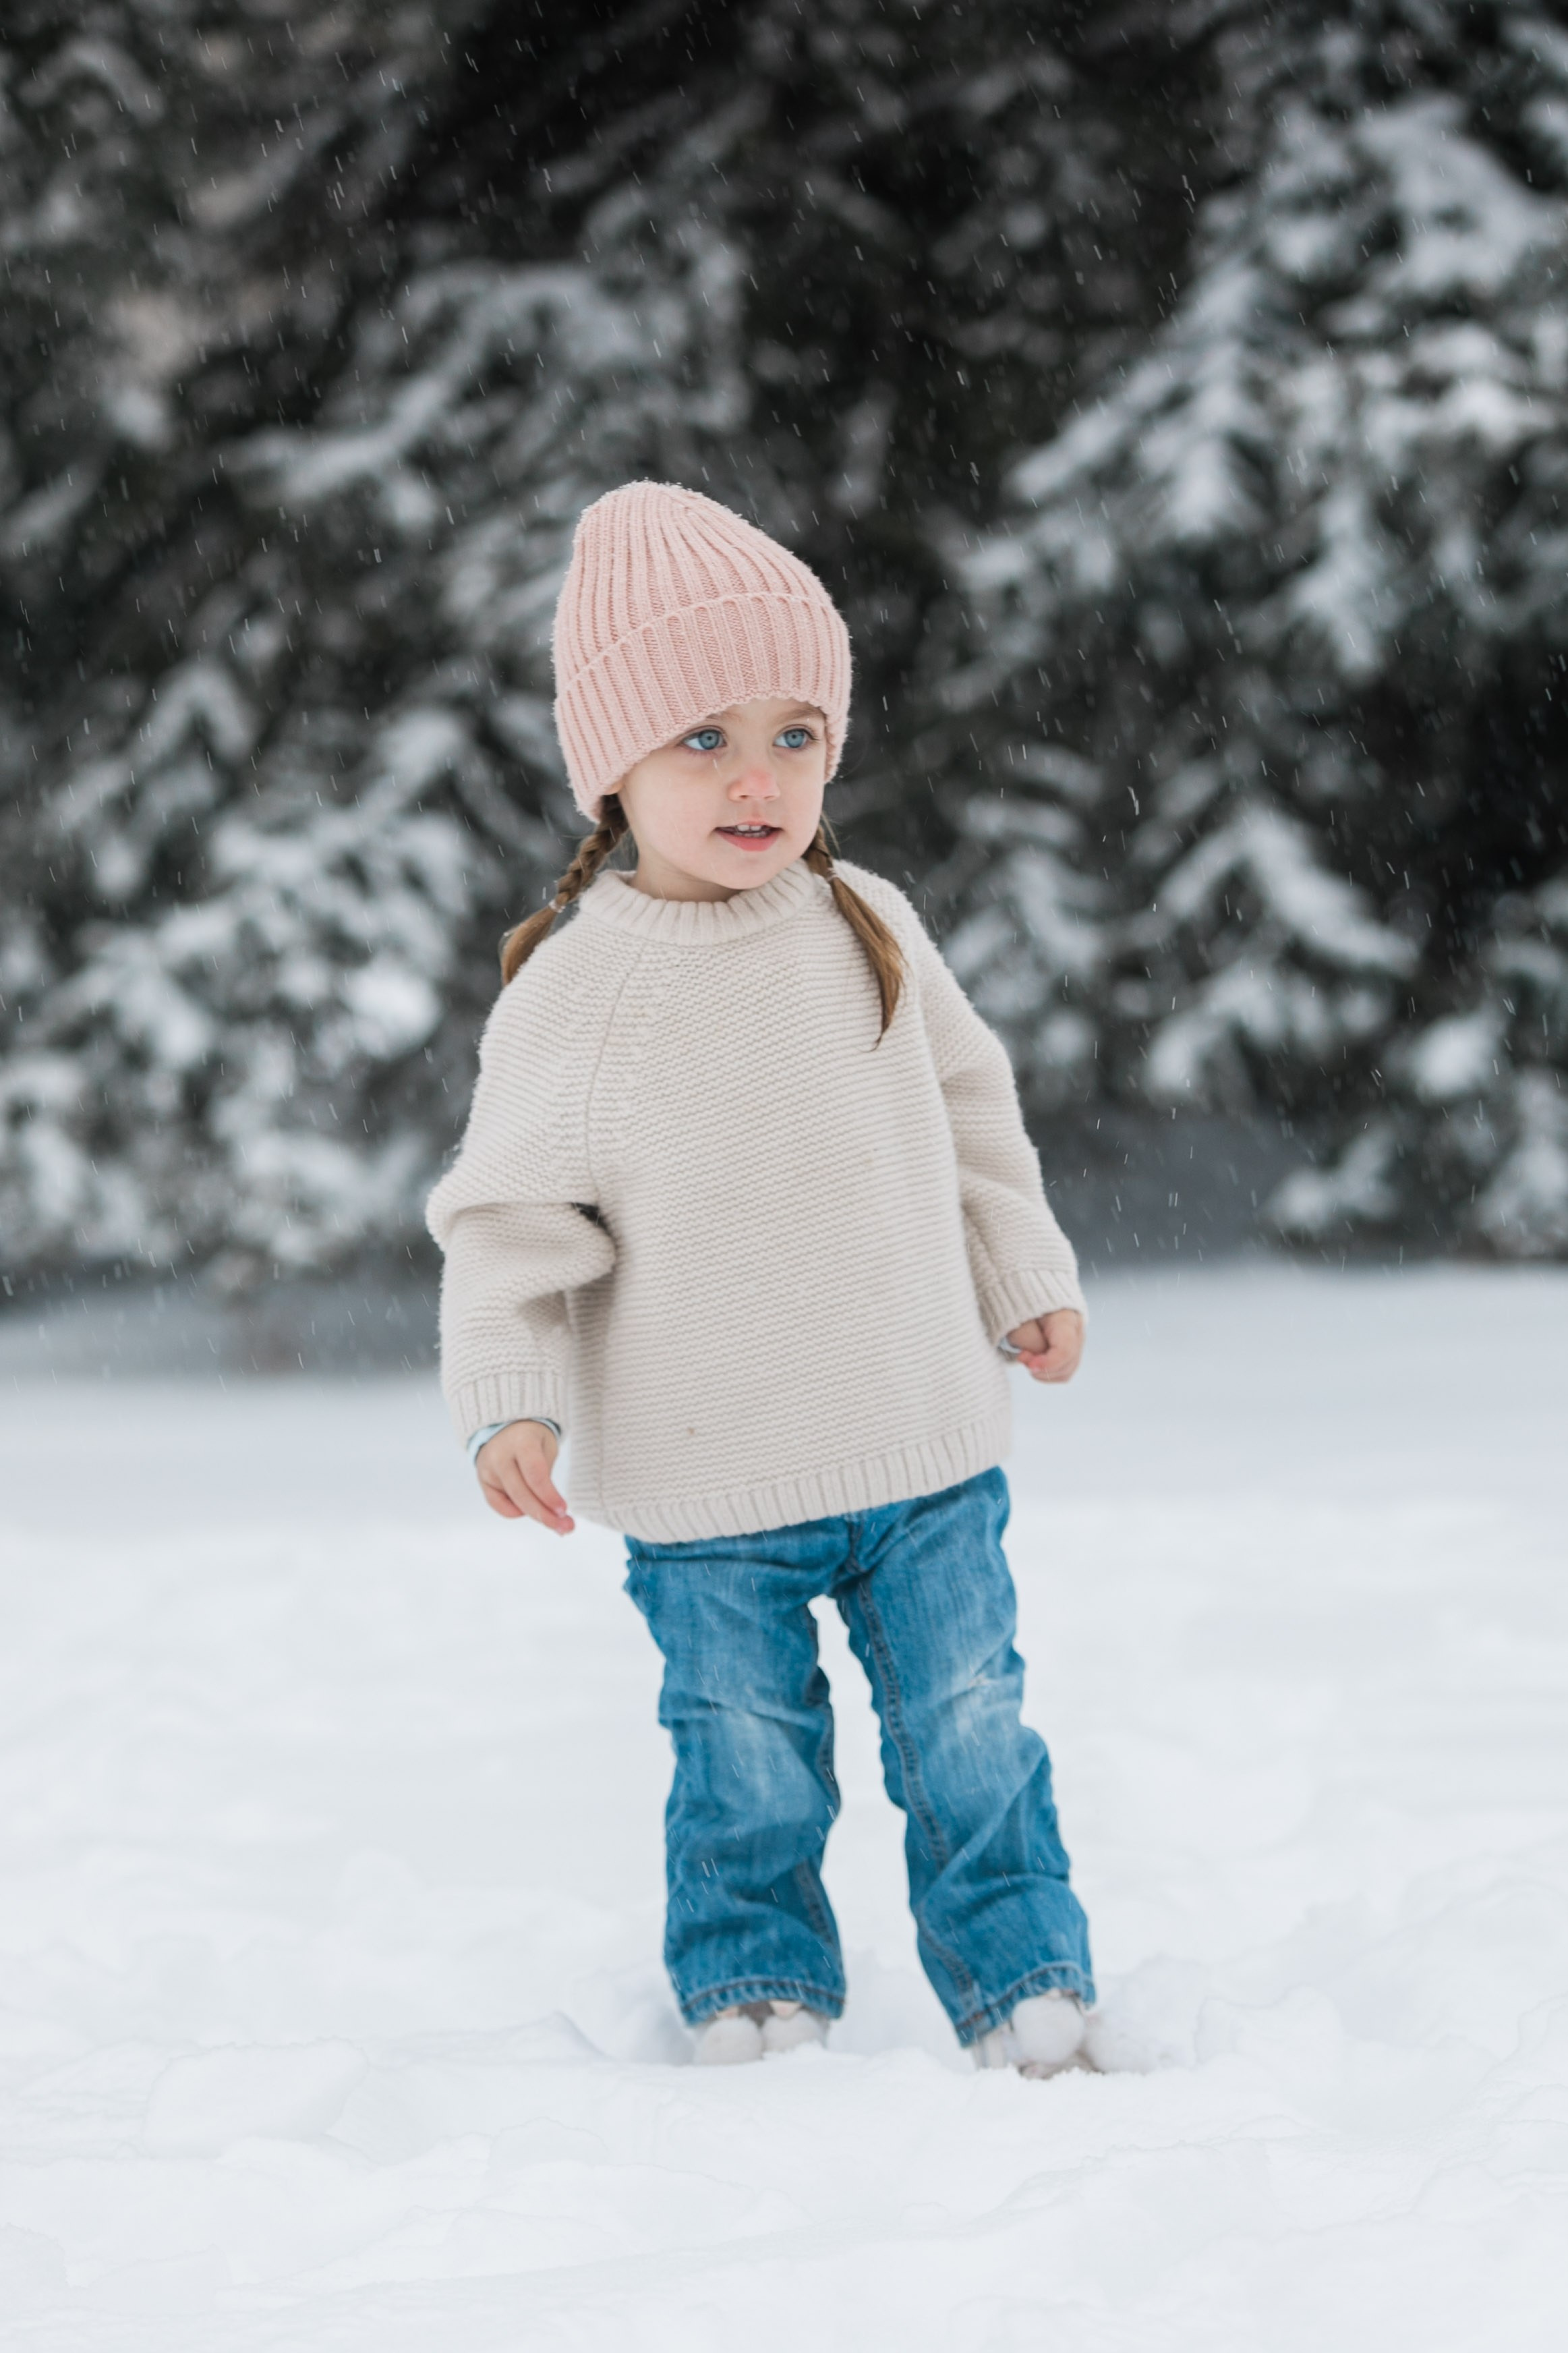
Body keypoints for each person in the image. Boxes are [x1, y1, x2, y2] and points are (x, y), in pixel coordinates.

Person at [427, 481, 1095, 2075]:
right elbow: (510, 1214)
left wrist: (1020, 1267)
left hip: (921, 1437)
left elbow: (967, 1108)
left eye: (795, 735)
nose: (757, 778)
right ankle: (753, 1987)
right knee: (745, 1759)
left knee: (972, 1733)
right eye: (703, 740)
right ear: (616, 768)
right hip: (709, 1478)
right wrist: (507, 1398)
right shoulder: (580, 987)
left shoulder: (865, 922)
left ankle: (1025, 1986)